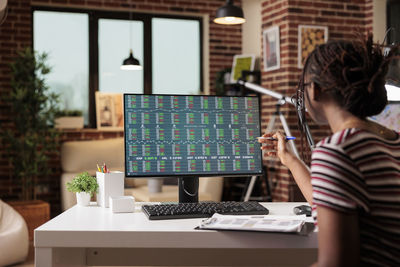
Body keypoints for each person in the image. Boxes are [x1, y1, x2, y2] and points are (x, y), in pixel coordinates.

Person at [259, 34, 400, 266]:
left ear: (314, 90)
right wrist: (290, 160)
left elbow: (335, 263)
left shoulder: (338, 150)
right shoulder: (391, 140)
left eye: (302, 88)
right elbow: (331, 205)